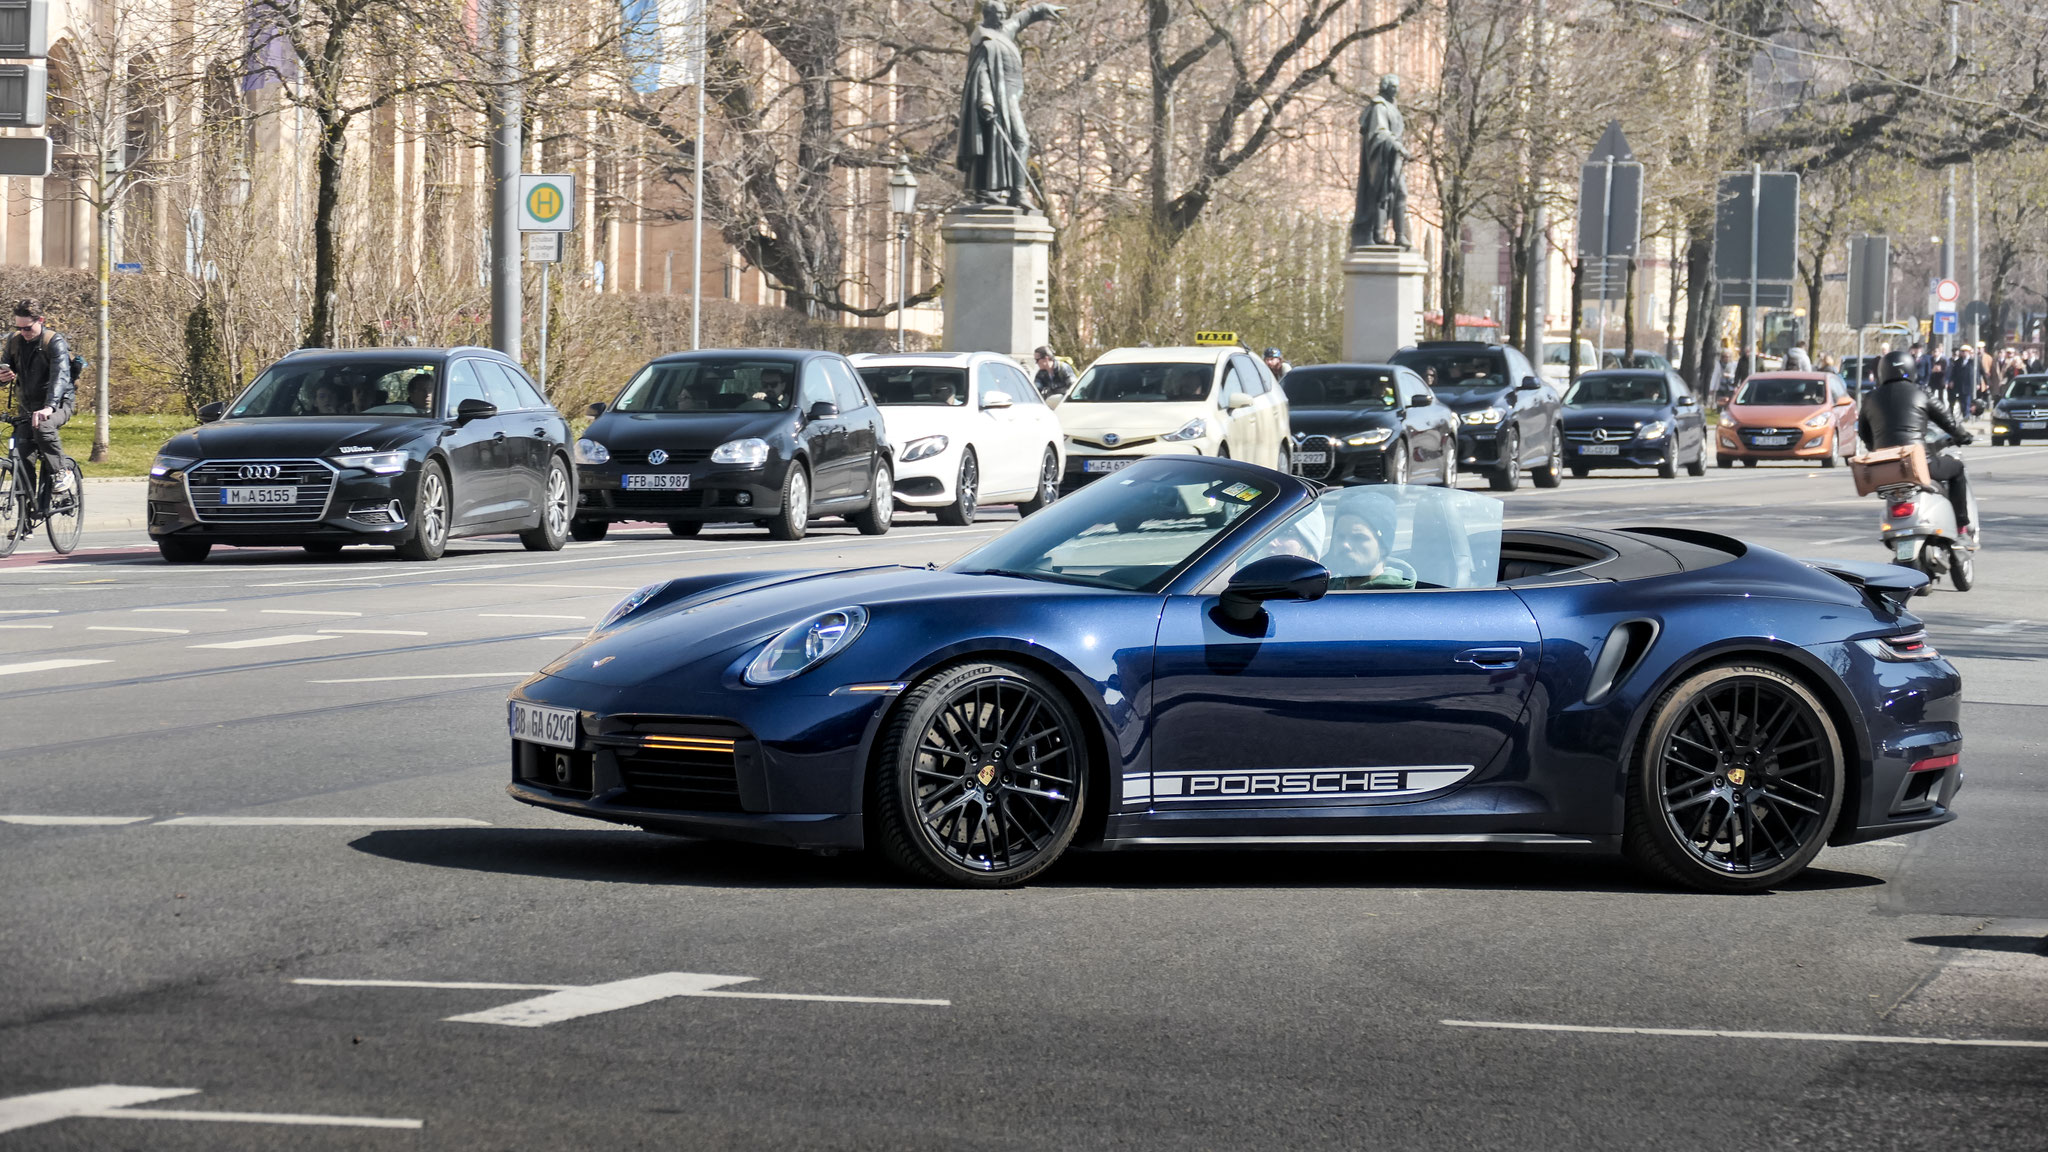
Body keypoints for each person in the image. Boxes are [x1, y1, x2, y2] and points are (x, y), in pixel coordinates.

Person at [1860, 348, 1975, 541]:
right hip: (1919, 464)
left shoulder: (1870, 398)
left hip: (1886, 468)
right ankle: (1961, 526)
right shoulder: (1920, 392)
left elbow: (1864, 433)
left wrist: (1877, 451)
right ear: (1911, 369)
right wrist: (1964, 436)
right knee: (1957, 469)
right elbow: (1949, 422)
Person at [1, 299, 75, 518]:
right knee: (22, 458)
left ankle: (63, 470)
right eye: (19, 327)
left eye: (27, 327)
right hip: (27, 407)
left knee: (43, 426)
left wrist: (49, 407)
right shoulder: (15, 341)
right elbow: (6, 368)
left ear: (40, 321)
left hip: (59, 403)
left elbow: (60, 378)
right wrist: (3, 377)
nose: (23, 332)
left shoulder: (54, 342)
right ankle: (27, 518)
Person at [1325, 510, 1415, 590]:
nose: (1345, 545)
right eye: (1340, 537)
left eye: (1358, 538)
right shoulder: (1325, 591)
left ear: (1383, 547)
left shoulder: (1397, 600)